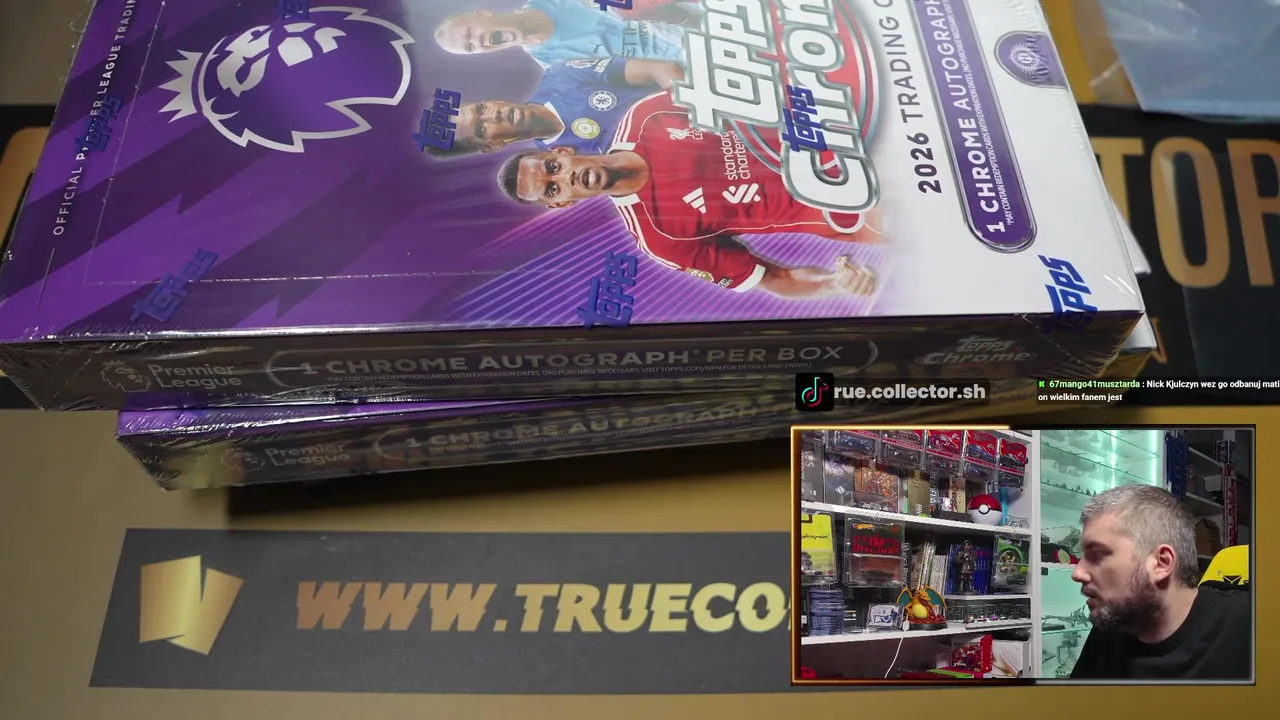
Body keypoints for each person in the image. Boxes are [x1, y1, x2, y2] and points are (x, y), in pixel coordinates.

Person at [494, 96, 878, 299]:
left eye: (553, 167)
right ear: (563, 202)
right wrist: (836, 283)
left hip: (858, 130)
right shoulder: (662, 239)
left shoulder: (649, 114)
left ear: (561, 151)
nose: (564, 177)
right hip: (865, 209)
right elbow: (778, 279)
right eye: (553, 187)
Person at [1069, 484, 1251, 680]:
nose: (1078, 573)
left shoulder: (1250, 624)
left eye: (1097, 554)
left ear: (1161, 563)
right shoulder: (1109, 629)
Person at [425, 58, 685, 158]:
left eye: (482, 109)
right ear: (492, 145)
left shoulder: (562, 76)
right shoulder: (564, 165)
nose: (495, 114)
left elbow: (662, 69)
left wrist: (696, 117)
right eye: (482, 128)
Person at [434, 0, 687, 67]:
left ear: (483, 13)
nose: (476, 41)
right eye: (470, 47)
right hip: (690, 61)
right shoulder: (553, 64)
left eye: (469, 32)